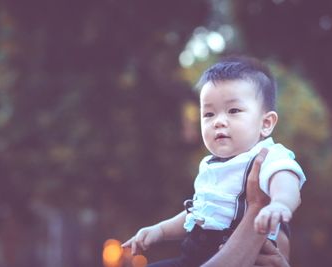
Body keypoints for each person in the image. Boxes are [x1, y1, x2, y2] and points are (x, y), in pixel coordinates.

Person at [123, 56, 306, 266]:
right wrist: (160, 230)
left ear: (266, 123)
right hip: (193, 256)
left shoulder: (266, 155)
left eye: (234, 111)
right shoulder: (212, 164)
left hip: (243, 255)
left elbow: (286, 181)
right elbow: (201, 211)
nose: (218, 121)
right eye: (209, 114)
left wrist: (280, 204)